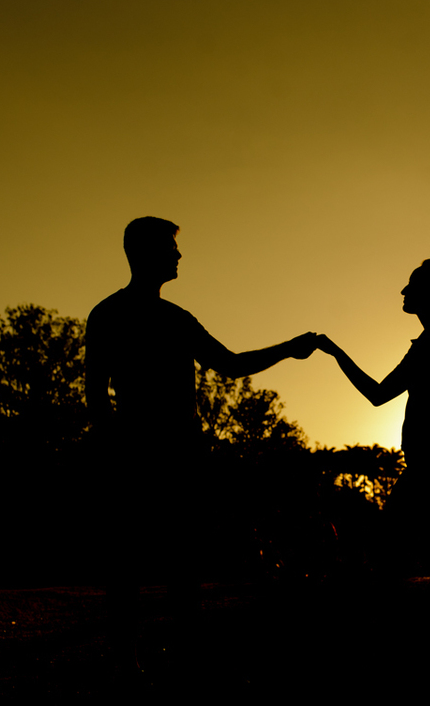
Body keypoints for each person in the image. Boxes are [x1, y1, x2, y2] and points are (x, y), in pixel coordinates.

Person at [85, 216, 317, 672]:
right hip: (145, 452)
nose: (178, 255)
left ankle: (174, 656)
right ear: (146, 253)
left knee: (175, 557)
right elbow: (95, 392)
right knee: (139, 557)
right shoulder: (117, 315)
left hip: (175, 453)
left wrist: (288, 348)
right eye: (171, 248)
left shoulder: (163, 317)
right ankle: (131, 658)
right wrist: (113, 446)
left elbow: (228, 364)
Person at [316, 259, 430, 585]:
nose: (403, 290)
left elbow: (377, 394)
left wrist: (334, 353)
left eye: (412, 284)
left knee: (397, 552)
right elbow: (380, 394)